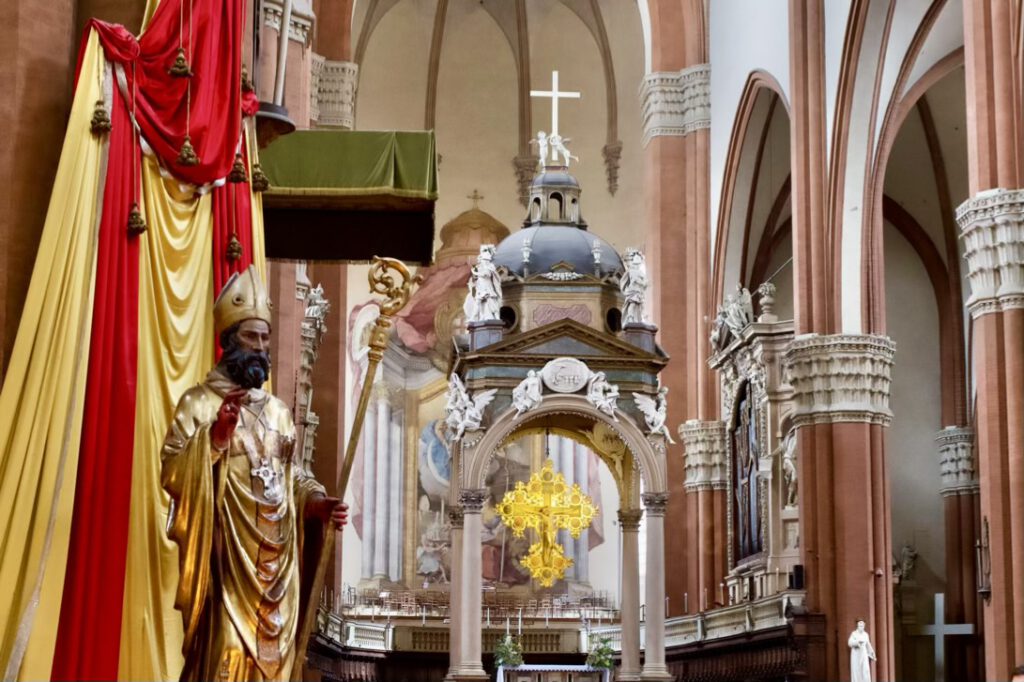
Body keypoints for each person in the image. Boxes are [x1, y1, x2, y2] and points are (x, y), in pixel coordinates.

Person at [161, 265, 347, 681]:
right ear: (229, 341)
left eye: (265, 338)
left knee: (274, 664)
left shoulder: (278, 413)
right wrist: (214, 439)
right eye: (251, 337)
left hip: (277, 571)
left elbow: (289, 476)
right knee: (227, 653)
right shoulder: (198, 403)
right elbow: (172, 470)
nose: (261, 347)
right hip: (228, 562)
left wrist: (316, 503)